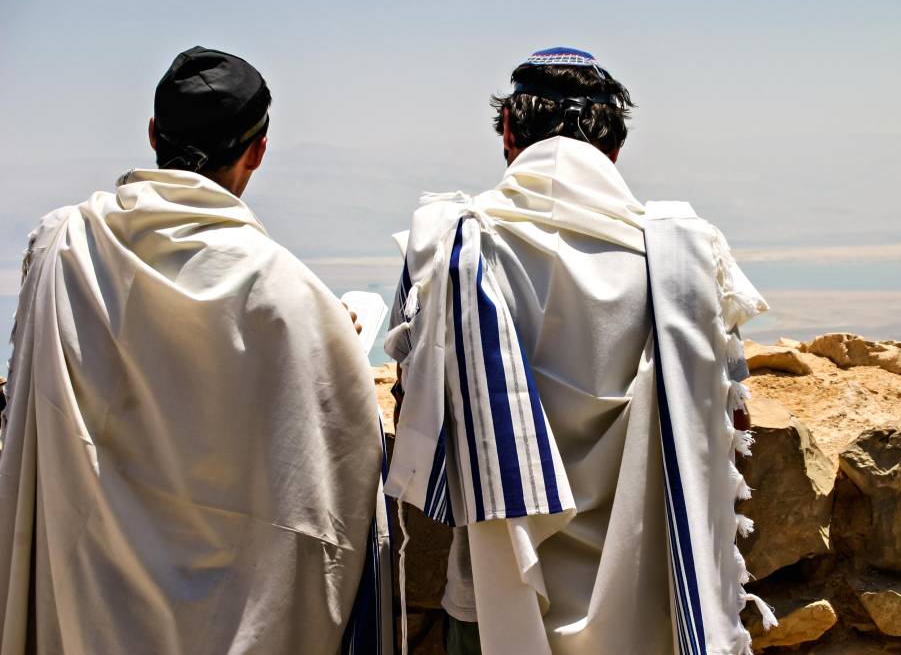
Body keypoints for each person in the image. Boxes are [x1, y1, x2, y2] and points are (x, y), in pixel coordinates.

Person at [384, 47, 775, 655]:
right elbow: (730, 426)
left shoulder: (454, 247)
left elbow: (415, 416)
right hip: (650, 603)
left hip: (492, 595)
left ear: (509, 132)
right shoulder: (685, 258)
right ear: (614, 148)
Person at [0, 46, 390, 655]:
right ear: (258, 151)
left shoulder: (63, 246)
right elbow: (338, 460)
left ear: (154, 133)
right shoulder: (289, 291)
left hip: (79, 600)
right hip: (233, 623)